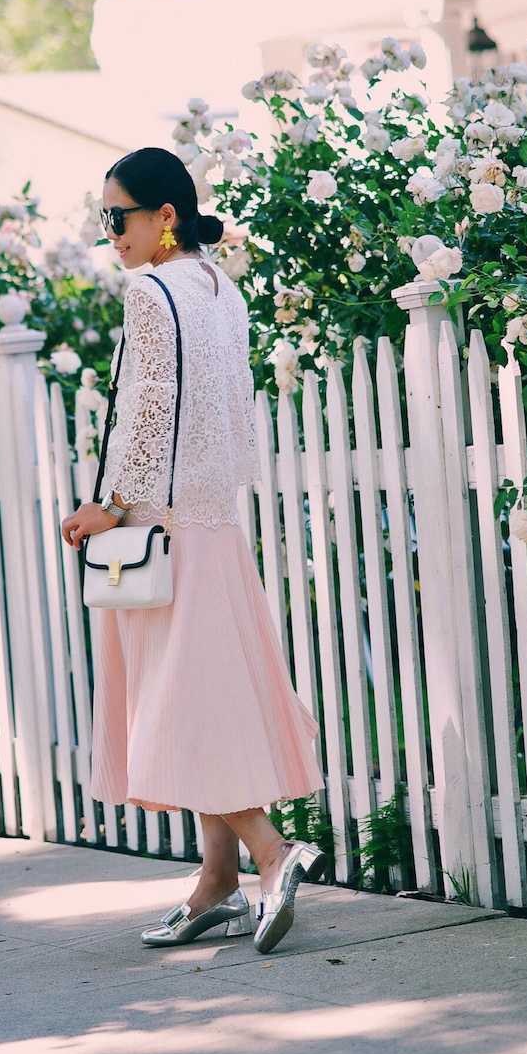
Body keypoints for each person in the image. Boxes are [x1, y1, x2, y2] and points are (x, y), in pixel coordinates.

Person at [61, 147, 325, 955]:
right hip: (210, 519)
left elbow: (148, 403)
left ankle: (274, 853)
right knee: (203, 690)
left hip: (158, 522)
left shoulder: (149, 288)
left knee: (182, 701)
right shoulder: (221, 287)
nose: (111, 235)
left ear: (164, 216)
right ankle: (217, 883)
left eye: (119, 218)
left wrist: (108, 504)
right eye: (105, 220)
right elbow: (227, 408)